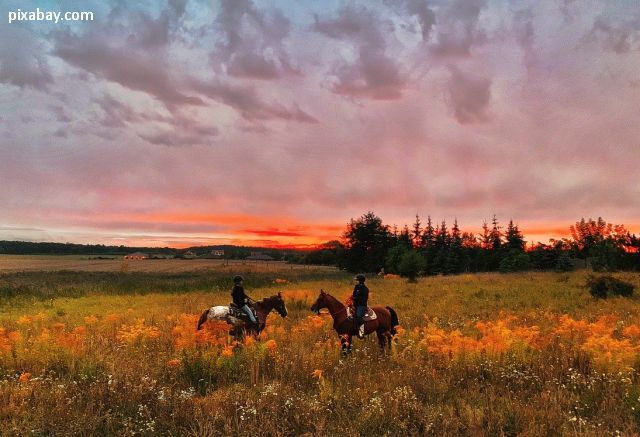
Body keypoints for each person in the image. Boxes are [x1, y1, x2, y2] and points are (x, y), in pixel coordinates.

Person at [352, 273, 369, 339]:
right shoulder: (356, 287)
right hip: (355, 304)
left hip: (361, 305)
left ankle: (361, 332)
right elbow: (354, 294)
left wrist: (355, 299)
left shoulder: (365, 289)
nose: (357, 281)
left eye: (357, 280)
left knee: (359, 316)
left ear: (361, 281)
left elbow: (363, 299)